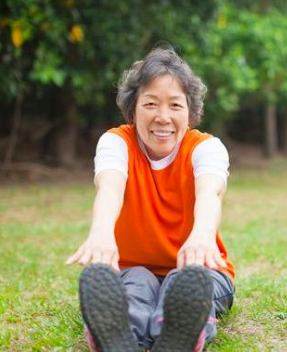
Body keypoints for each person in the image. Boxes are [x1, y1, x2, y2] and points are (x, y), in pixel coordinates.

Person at [66, 46, 235, 352]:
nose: (162, 117)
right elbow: (110, 187)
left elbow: (210, 192)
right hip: (134, 267)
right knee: (136, 284)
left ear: (191, 113)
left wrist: (202, 236)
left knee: (184, 282)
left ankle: (182, 332)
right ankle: (117, 338)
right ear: (133, 109)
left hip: (200, 269)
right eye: (150, 103)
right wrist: (101, 233)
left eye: (175, 105)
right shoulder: (116, 142)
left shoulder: (206, 148)